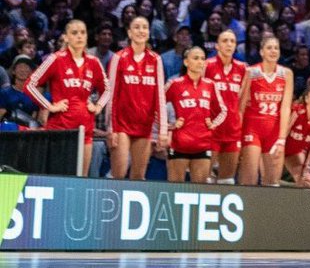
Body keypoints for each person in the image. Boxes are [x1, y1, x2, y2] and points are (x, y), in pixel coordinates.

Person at [26, 18, 109, 175]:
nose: (79, 36)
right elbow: (30, 85)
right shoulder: (55, 59)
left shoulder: (94, 62)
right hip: (60, 129)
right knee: (58, 176)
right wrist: (49, 105)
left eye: (82, 33)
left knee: (81, 178)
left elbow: (108, 89)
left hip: (86, 129)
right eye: (74, 33)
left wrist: (98, 106)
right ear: (66, 37)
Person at [105, 14, 168, 180]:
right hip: (122, 125)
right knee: (118, 174)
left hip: (145, 125)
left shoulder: (156, 59)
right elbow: (111, 95)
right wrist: (111, 128)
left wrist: (162, 131)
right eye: (137, 27)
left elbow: (160, 97)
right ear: (129, 32)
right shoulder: (119, 58)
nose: (141, 31)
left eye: (145, 27)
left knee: (139, 177)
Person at [165, 45, 227, 184]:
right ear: (186, 62)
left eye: (203, 59)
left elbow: (223, 110)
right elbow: (156, 106)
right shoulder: (174, 84)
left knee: (199, 191)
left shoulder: (211, 85)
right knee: (175, 191)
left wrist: (213, 124)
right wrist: (169, 126)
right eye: (196, 58)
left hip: (202, 144)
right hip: (179, 144)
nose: (200, 61)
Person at [238, 35, 293, 186]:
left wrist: (282, 139)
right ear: (261, 52)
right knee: (249, 178)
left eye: (276, 48)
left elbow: (286, 107)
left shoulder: (286, 74)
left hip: (274, 130)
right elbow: (241, 106)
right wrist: (237, 133)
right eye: (269, 48)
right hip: (252, 128)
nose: (273, 51)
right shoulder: (251, 72)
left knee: (272, 181)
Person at [205, 28, 246, 184]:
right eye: (225, 41)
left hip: (233, 130)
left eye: (232, 41)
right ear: (217, 46)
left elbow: (242, 102)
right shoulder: (207, 66)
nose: (229, 44)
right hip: (211, 130)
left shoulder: (243, 69)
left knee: (227, 181)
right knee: (205, 179)